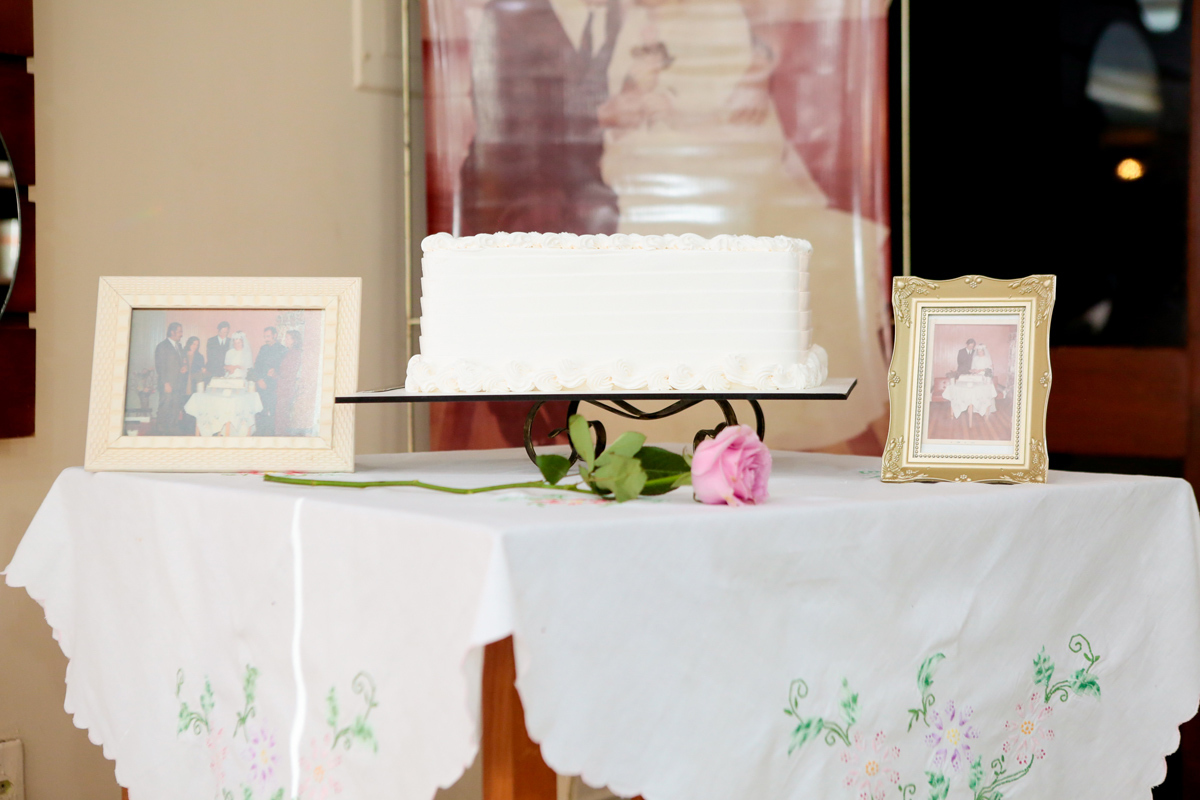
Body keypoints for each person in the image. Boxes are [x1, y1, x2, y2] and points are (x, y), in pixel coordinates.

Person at [251, 326, 287, 435]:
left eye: (268, 336)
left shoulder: (282, 349)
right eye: (265, 336)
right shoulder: (263, 348)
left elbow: (283, 369)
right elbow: (257, 365)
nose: (266, 339)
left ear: (275, 335)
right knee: (260, 410)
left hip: (273, 386)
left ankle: (270, 435)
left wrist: (274, 373)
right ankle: (260, 433)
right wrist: (259, 380)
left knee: (272, 412)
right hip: (261, 383)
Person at [153, 322, 187, 434]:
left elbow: (181, 361)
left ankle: (173, 427)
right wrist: (165, 383)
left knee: (175, 406)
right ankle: (161, 430)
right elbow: (160, 366)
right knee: (165, 406)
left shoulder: (179, 346)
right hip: (167, 383)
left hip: (178, 383)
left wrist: (184, 367)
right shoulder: (162, 346)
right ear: (172, 332)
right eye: (179, 331)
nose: (181, 334)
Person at [273, 330, 304, 436]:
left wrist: (275, 374)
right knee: (282, 414)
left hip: (286, 387)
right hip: (284, 386)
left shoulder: (294, 353)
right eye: (285, 338)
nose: (285, 340)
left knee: (282, 415)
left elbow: (288, 373)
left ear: (295, 340)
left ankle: (281, 437)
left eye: (288, 338)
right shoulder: (289, 352)